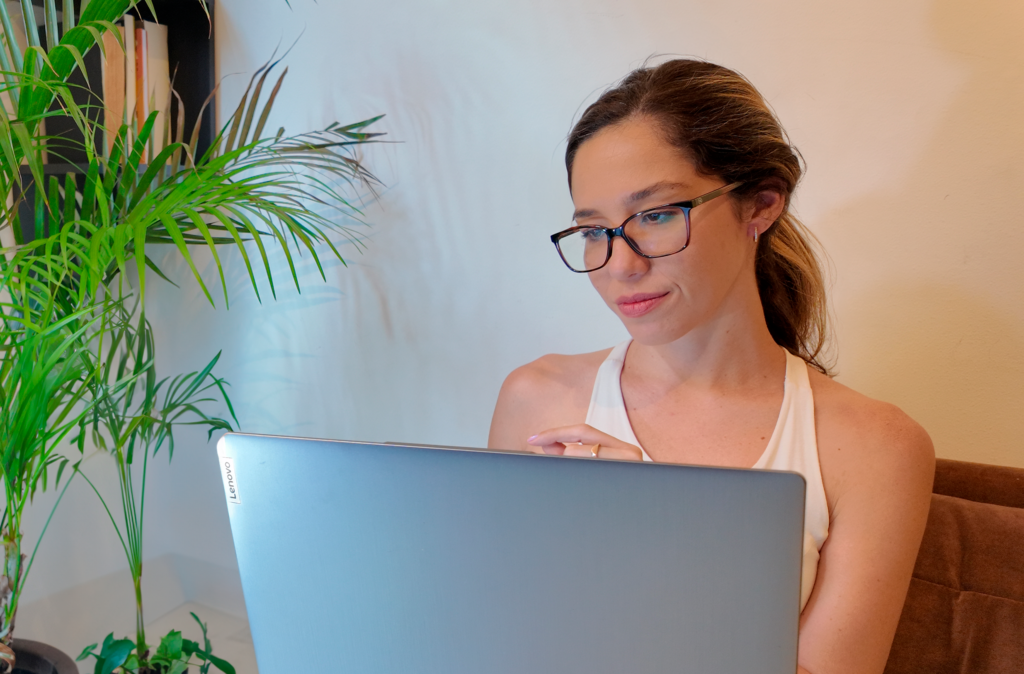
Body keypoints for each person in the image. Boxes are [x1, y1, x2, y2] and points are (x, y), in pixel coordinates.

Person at [488, 59, 935, 674]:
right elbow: (498, 637)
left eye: (656, 214)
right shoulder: (535, 402)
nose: (620, 265)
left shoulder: (875, 447)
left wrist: (653, 539)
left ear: (761, 204)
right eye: (593, 230)